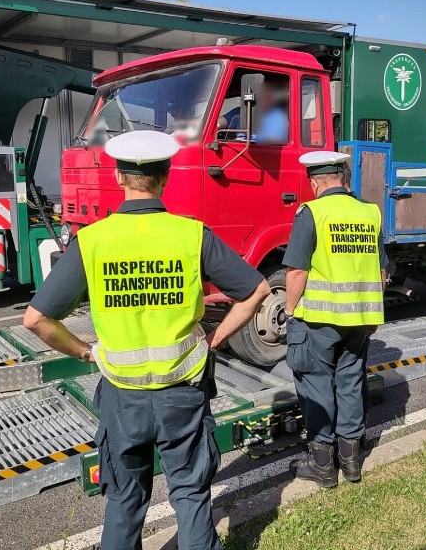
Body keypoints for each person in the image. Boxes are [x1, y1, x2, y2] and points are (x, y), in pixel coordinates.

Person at [23, 130, 270, 550]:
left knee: (123, 499)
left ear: (119, 177)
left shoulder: (94, 241)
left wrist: (85, 351)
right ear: (167, 176)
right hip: (183, 393)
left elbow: (36, 320)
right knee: (190, 496)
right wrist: (214, 338)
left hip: (123, 395)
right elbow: (257, 291)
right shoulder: (191, 235)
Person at [282, 151, 387, 488]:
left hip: (318, 322)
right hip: (358, 320)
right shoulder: (370, 212)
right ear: (342, 177)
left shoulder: (312, 211)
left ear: (316, 181)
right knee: (351, 384)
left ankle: (323, 466)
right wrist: (374, 312)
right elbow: (382, 270)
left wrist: (288, 309)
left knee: (316, 387)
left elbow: (297, 270)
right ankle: (352, 463)